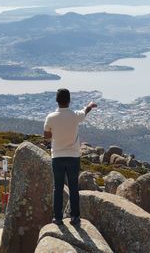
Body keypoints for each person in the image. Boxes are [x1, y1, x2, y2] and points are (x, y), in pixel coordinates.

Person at [44, 88, 97, 225]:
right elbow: (85, 111)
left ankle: (58, 218)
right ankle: (75, 217)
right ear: (69, 100)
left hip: (57, 156)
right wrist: (90, 105)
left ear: (57, 100)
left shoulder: (50, 117)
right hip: (73, 156)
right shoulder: (75, 115)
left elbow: (47, 136)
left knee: (58, 188)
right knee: (73, 187)